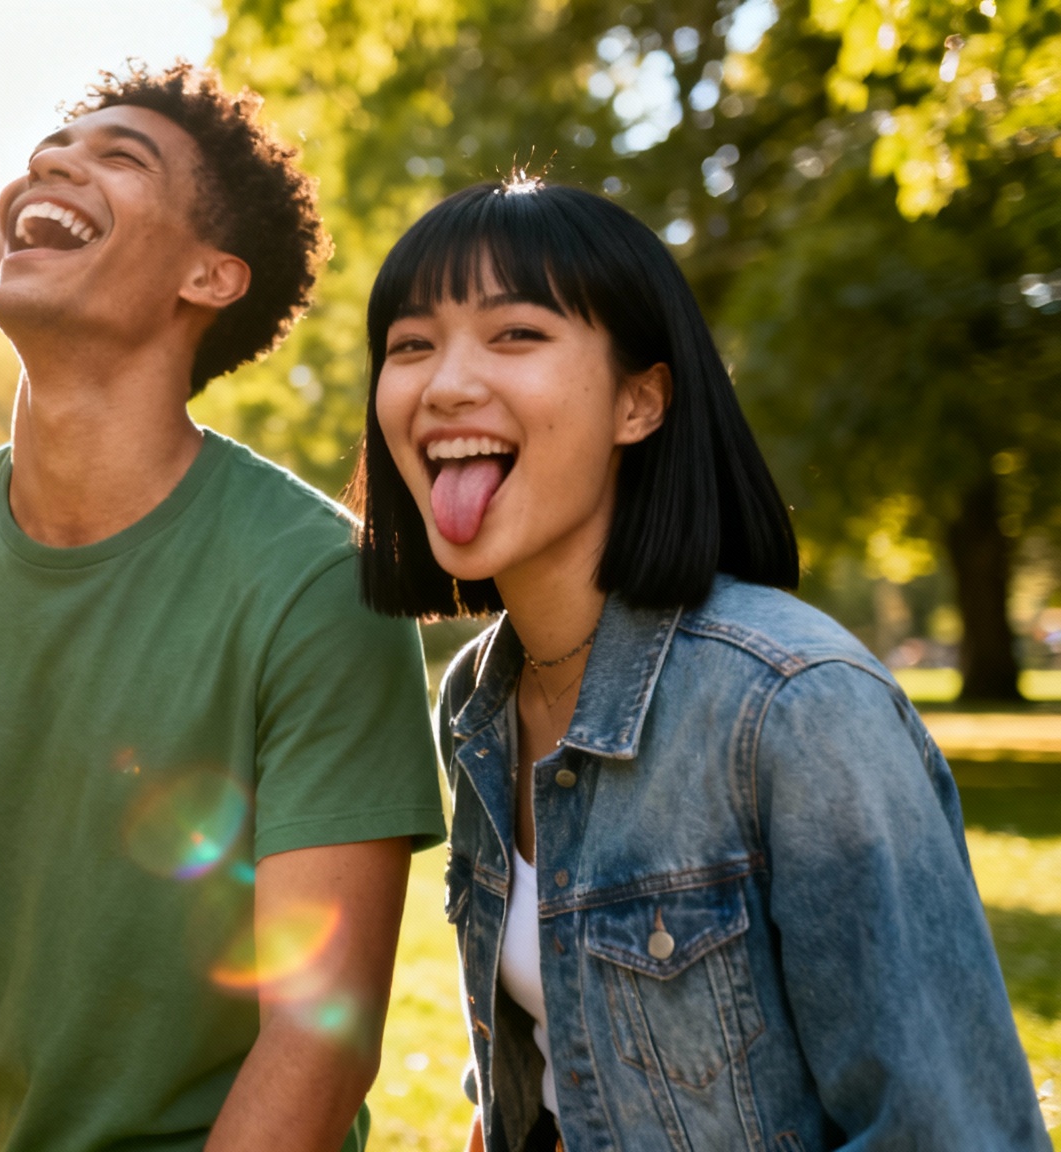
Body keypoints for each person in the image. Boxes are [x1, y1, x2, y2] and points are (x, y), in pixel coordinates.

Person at [0, 61, 447, 1152]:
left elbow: (317, 1036)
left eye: (117, 156)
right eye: (54, 146)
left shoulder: (318, 584)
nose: (52, 162)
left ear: (210, 277)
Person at [354, 178, 1049, 1151]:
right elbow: (552, 1051)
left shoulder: (792, 705)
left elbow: (949, 1130)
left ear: (638, 402)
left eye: (513, 334)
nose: (444, 384)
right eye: (409, 346)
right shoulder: (479, 697)